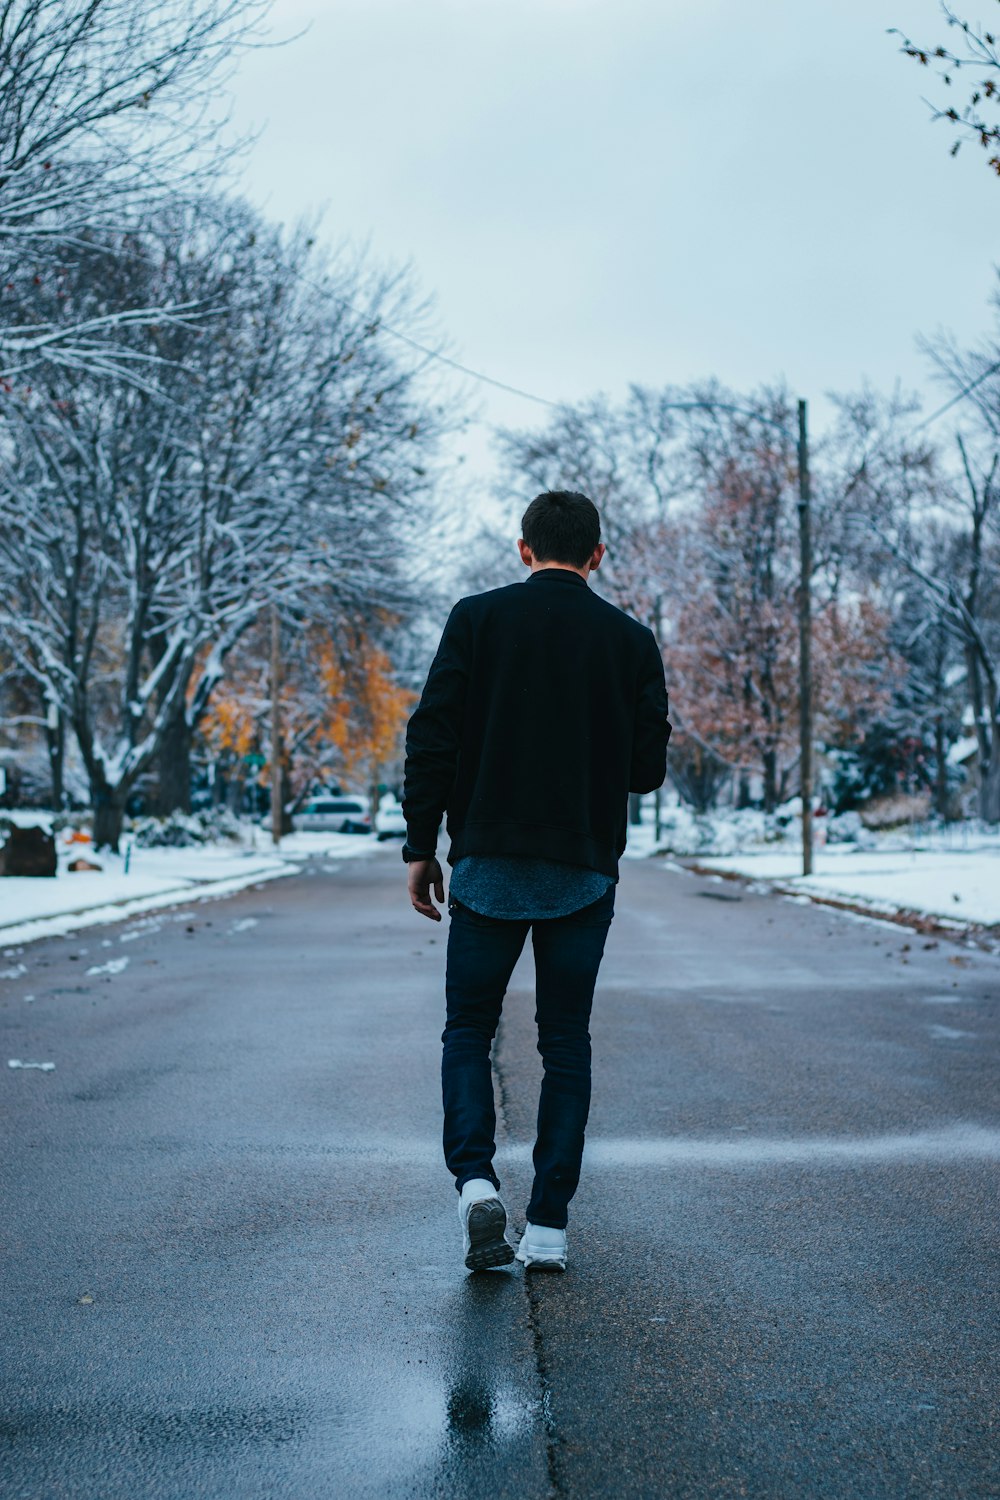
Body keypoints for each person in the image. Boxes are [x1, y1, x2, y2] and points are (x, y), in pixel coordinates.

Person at [401, 490, 671, 1272]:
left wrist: (422, 845)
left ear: (523, 550)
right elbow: (646, 771)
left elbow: (433, 736)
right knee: (565, 1045)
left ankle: (477, 1183)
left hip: (486, 865)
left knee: (467, 1031)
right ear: (597, 556)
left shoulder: (476, 620)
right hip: (581, 872)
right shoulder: (630, 640)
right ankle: (549, 1222)